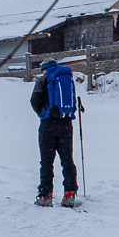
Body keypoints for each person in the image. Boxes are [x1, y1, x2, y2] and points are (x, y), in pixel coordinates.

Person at [30, 57, 81, 206]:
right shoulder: (66, 79)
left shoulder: (43, 80)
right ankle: (70, 194)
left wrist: (42, 113)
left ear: (44, 69)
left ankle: (45, 196)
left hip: (48, 125)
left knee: (46, 161)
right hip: (66, 124)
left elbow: (34, 101)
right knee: (67, 160)